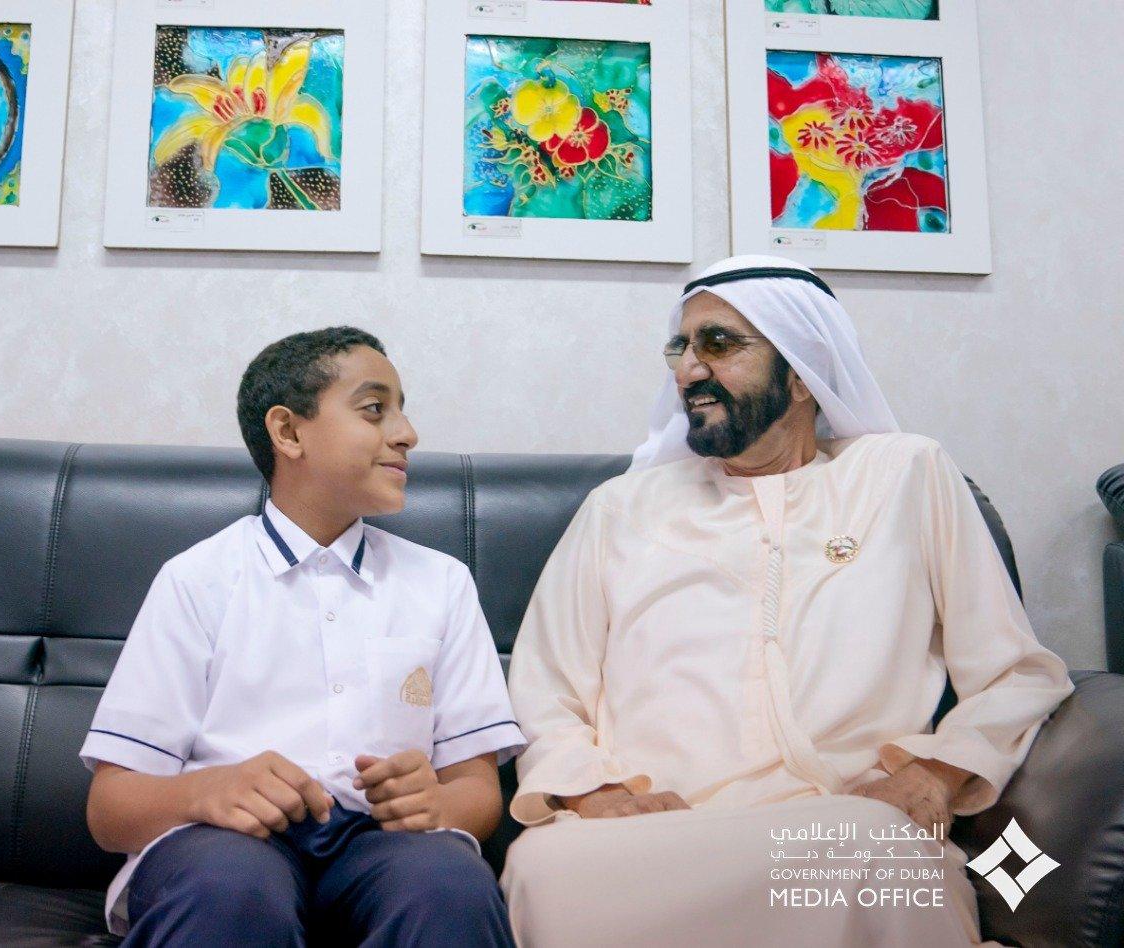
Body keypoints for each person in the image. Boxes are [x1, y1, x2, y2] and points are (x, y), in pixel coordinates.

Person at [500, 255, 1074, 947]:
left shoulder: (903, 476)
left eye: (718, 344)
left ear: (802, 371)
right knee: (544, 866)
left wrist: (935, 774)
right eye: (680, 347)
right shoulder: (621, 508)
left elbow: (1014, 672)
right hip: (653, 836)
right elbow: (545, 689)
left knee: (875, 844)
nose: (688, 369)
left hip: (838, 823)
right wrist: (597, 793)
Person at [79, 326, 524, 946]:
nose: (407, 433)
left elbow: (476, 789)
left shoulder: (441, 583)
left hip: (386, 847)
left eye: (402, 409)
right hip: (229, 843)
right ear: (288, 432)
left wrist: (439, 807)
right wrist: (206, 790)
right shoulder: (197, 580)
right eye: (375, 409)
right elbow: (110, 810)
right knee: (228, 889)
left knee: (447, 885)